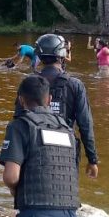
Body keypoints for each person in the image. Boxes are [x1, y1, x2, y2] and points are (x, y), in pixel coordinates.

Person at [0, 75, 79, 217]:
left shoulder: (20, 126)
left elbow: (11, 176)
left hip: (39, 216)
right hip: (70, 216)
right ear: (49, 100)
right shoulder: (67, 129)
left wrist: (15, 191)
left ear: (21, 100)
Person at [13, 34, 99, 179]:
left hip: (32, 150)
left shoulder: (28, 82)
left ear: (39, 56)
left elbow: (17, 120)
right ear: (62, 55)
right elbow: (85, 125)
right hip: (65, 152)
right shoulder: (75, 85)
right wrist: (92, 159)